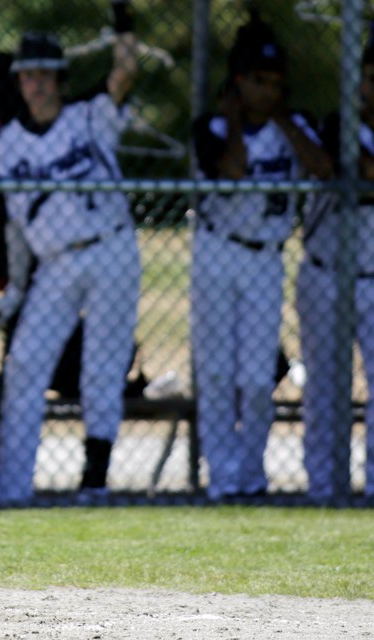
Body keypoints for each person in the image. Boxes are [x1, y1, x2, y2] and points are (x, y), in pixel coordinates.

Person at [0, 0, 141, 504]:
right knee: (26, 363)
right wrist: (15, 287)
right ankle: (12, 489)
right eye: (28, 75)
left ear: (60, 78)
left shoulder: (90, 117)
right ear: (19, 82)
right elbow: (16, 226)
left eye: (45, 74)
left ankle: (94, 480)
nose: (36, 83)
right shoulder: (9, 142)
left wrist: (124, 25)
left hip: (112, 247)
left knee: (103, 362)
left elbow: (125, 72)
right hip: (55, 262)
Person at [191, 13, 332, 501]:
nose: (267, 90)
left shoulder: (293, 127)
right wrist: (234, 115)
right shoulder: (210, 127)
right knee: (215, 374)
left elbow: (322, 168)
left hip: (265, 257)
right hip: (216, 252)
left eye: (275, 82)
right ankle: (222, 478)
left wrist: (280, 117)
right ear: (236, 82)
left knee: (255, 378)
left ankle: (250, 476)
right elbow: (230, 170)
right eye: (257, 81)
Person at [296, 35, 374, 503]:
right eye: (369, 79)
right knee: (324, 387)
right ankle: (323, 487)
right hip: (327, 273)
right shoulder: (336, 123)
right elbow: (348, 168)